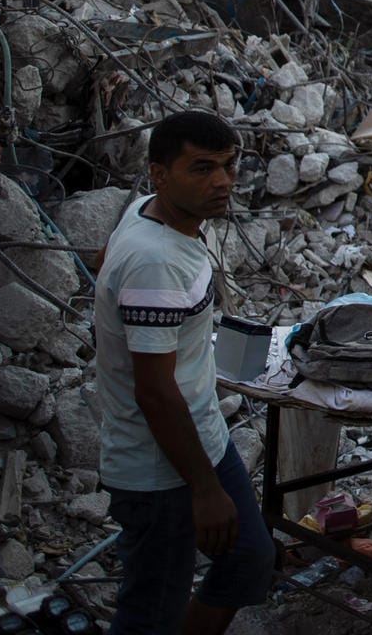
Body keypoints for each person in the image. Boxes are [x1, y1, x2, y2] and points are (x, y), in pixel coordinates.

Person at [95, 110, 276, 634]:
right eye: (201, 169)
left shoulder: (144, 213)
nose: (222, 182)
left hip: (203, 436)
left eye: (227, 165)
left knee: (248, 558)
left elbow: (108, 257)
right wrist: (203, 489)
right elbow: (154, 392)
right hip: (162, 466)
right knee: (150, 612)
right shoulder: (156, 264)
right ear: (161, 174)